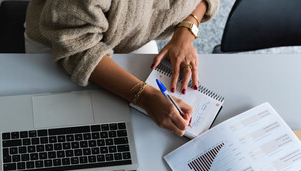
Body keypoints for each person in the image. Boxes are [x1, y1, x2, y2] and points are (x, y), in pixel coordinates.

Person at [25, 0, 219, 136]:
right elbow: (76, 48)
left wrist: (187, 29)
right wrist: (144, 96)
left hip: (133, 37)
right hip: (61, 44)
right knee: (64, 134)